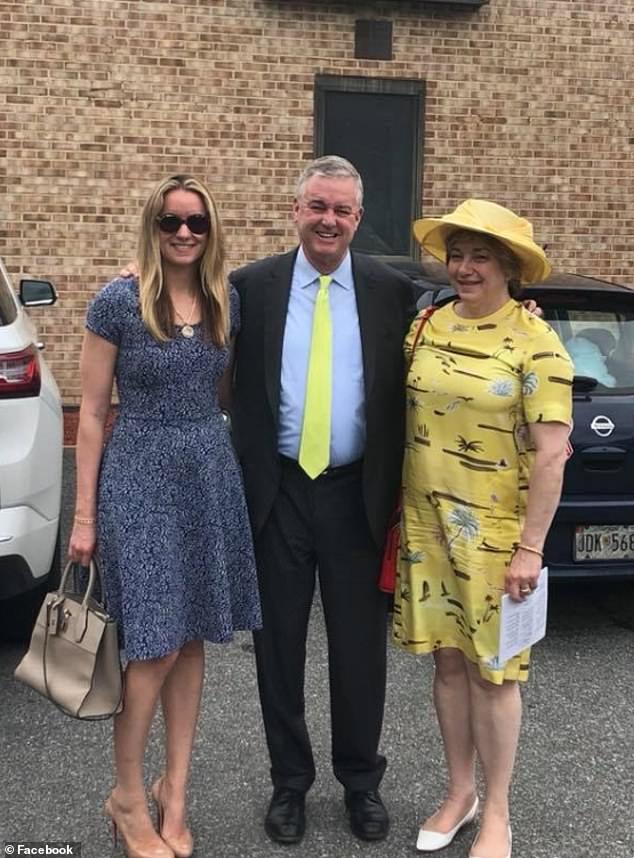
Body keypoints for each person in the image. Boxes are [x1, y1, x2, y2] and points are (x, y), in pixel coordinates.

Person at [69, 174, 261, 858]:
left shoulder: (223, 299)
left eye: (197, 224)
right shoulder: (118, 302)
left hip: (207, 472)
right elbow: (90, 412)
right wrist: (84, 516)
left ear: (211, 232)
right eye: (171, 222)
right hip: (139, 473)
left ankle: (173, 793)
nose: (184, 233)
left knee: (192, 640)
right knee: (151, 646)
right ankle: (126, 797)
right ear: (152, 226)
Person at [229, 155, 416, 844]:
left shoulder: (394, 291)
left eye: (341, 210)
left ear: (358, 219)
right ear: (296, 210)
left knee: (359, 651)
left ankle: (361, 781)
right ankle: (290, 784)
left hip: (355, 495)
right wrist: (137, 281)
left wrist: (523, 308)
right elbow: (186, 314)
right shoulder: (251, 286)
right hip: (276, 493)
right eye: (317, 206)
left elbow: (464, 320)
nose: (328, 220)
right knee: (276, 647)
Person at [394, 199, 573, 858]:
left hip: (498, 534)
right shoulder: (426, 325)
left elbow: (553, 452)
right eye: (458, 254)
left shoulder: (536, 342)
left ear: (508, 267)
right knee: (447, 664)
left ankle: (497, 811)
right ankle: (459, 790)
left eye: (481, 256)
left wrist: (531, 548)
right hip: (428, 522)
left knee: (495, 674)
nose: (465, 268)